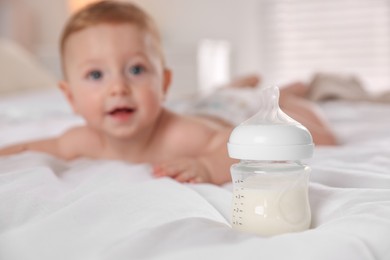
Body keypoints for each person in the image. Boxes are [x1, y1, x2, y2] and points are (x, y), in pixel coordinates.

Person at [0, 1, 337, 185]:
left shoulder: (180, 134)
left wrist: (206, 166)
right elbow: (34, 146)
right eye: (95, 75)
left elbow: (229, 143)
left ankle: (287, 93)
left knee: (314, 131)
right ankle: (236, 84)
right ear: (70, 97)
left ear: (163, 84)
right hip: (204, 103)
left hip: (230, 111)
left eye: (136, 70)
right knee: (212, 95)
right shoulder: (80, 140)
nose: (118, 87)